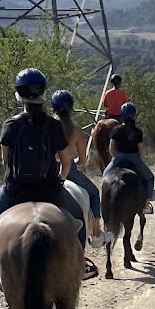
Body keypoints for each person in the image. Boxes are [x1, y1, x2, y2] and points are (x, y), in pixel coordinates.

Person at [0, 68, 96, 281]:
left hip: (15, 190)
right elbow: (66, 163)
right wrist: (59, 181)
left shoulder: (10, 124)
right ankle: (80, 264)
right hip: (49, 190)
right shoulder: (54, 125)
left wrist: (13, 181)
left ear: (19, 94)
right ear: (42, 93)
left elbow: (5, 162)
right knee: (78, 218)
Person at [50, 89, 102, 239]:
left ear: (53, 108)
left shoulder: (49, 126)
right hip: (69, 170)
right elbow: (82, 160)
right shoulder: (77, 131)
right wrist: (75, 163)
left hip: (49, 169)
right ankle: (97, 233)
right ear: (72, 108)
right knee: (94, 193)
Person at [102, 101, 155, 212]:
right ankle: (146, 204)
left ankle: (104, 202)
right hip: (134, 157)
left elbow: (111, 148)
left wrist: (115, 157)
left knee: (105, 176)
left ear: (122, 115)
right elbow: (140, 149)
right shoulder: (138, 132)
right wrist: (139, 159)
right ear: (134, 115)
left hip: (119, 157)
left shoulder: (116, 130)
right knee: (150, 178)